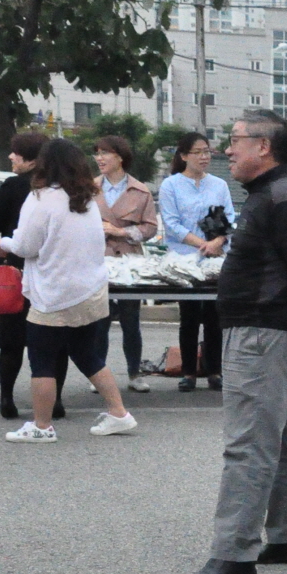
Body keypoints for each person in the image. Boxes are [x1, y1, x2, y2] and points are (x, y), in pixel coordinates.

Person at [174, 109, 287, 574]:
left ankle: (233, 553)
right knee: (282, 436)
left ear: (264, 147)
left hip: (264, 334)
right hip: (266, 332)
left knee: (248, 444)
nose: (227, 150)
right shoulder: (272, 196)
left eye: (235, 140)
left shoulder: (281, 197)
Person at [0, 138, 137, 443]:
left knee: (42, 360)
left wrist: (2, 243)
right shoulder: (87, 198)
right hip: (91, 289)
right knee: (86, 353)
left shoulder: (41, 198)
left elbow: (26, 246)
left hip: (54, 292)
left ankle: (42, 427)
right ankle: (119, 413)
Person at [0, 131, 56, 421]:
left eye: (16, 152)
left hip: (13, 272)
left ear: (30, 158)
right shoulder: (59, 188)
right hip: (50, 273)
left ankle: (7, 398)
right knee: (54, 340)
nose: (10, 156)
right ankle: (55, 402)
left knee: (11, 339)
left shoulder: (13, 186)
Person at [158, 132, 234, 391]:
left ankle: (215, 370)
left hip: (215, 257)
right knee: (189, 316)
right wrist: (200, 243)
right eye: (198, 152)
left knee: (214, 315)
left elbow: (229, 218)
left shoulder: (219, 185)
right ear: (183, 156)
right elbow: (171, 223)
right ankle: (189, 371)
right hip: (184, 259)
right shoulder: (171, 185)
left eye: (207, 151)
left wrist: (217, 242)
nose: (204, 157)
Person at [93, 134, 158, 393]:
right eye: (97, 153)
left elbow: (151, 228)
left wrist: (121, 231)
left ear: (120, 157)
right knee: (100, 321)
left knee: (131, 321)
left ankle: (134, 373)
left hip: (130, 262)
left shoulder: (140, 191)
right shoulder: (89, 188)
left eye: (105, 153)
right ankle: (98, 375)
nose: (99, 158)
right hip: (98, 259)